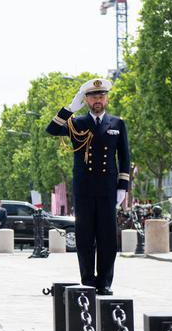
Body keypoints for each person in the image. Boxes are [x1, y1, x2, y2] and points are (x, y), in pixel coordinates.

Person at [46, 77, 130, 296]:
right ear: (86, 100)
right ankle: (88, 280)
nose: (98, 100)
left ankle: (105, 282)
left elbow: (124, 157)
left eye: (101, 96)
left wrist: (123, 187)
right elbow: (52, 129)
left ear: (106, 99)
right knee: (85, 237)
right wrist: (70, 109)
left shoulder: (117, 123)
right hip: (84, 188)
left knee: (107, 238)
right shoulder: (77, 123)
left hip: (107, 188)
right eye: (93, 97)